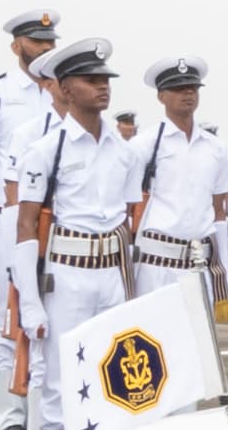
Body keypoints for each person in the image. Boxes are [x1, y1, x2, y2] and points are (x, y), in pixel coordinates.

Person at [10, 36, 135, 384]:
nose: (102, 87)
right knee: (61, 383)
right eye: (91, 81)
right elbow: (26, 226)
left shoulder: (125, 152)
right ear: (65, 89)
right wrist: (30, 302)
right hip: (66, 275)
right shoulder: (45, 151)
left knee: (111, 380)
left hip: (112, 273)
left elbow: (128, 221)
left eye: (105, 80)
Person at [0, 9, 60, 430]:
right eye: (37, 41)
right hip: (9, 215)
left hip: (57, 219)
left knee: (51, 316)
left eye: (49, 42)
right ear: (16, 46)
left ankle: (48, 411)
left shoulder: (64, 93)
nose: (45, 48)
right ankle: (10, 415)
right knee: (7, 318)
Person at [125, 58, 228, 305]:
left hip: (199, 264)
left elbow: (218, 213)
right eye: (178, 88)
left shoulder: (216, 148)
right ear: (161, 96)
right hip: (156, 264)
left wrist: (222, 269)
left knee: (198, 342)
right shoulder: (144, 146)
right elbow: (127, 209)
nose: (188, 93)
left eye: (193, 88)